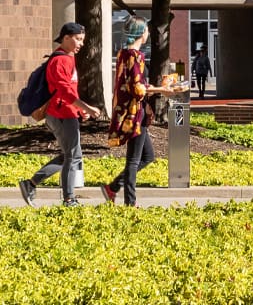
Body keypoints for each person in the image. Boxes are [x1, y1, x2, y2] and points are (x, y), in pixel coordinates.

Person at [20, 22, 105, 207]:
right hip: (60, 115)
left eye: (83, 39)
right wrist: (87, 108)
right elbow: (64, 91)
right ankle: (68, 198)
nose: (81, 43)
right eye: (78, 39)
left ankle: (32, 184)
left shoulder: (69, 57)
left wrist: (79, 110)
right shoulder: (60, 60)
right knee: (72, 156)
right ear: (66, 37)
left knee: (72, 155)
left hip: (66, 113)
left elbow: (69, 91)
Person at [104, 18, 185, 207]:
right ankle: (129, 203)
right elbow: (138, 89)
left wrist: (156, 89)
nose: (148, 33)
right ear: (141, 33)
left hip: (131, 112)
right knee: (133, 160)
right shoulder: (135, 56)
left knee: (148, 157)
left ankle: (113, 187)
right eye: (146, 30)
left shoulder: (123, 54)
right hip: (134, 114)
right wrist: (161, 90)